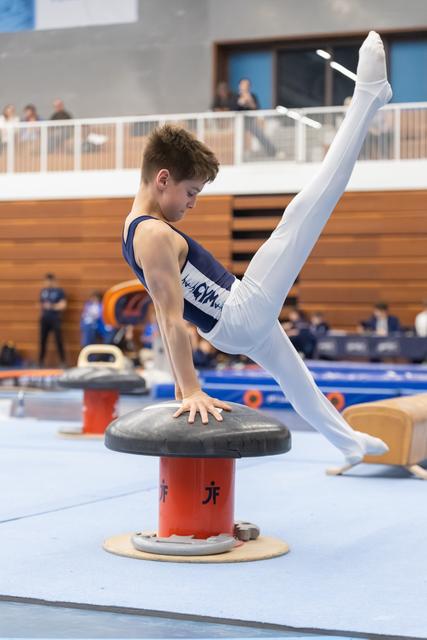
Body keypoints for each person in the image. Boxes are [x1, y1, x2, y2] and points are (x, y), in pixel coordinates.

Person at [122, 31, 391, 467]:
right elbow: (169, 318)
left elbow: (173, 311)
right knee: (307, 207)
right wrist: (190, 390)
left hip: (232, 320)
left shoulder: (137, 228)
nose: (191, 204)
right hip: (238, 310)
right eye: (190, 192)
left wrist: (180, 384)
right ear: (163, 179)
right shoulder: (153, 234)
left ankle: (349, 443)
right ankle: (367, 97)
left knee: (296, 380)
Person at [233, 77, 277, 158]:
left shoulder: (253, 96)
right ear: (239, 86)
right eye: (243, 84)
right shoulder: (235, 96)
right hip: (239, 122)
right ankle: (238, 156)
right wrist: (241, 102)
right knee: (238, 139)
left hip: (250, 121)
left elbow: (256, 108)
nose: (245, 86)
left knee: (260, 135)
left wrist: (249, 101)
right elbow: (234, 108)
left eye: (247, 85)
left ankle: (272, 152)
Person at [38, 273, 67, 367]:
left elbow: (63, 305)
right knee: (42, 340)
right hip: (44, 319)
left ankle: (63, 361)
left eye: (48, 281)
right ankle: (40, 361)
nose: (46, 283)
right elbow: (41, 304)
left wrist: (52, 306)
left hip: (55, 319)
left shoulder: (59, 291)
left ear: (52, 281)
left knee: (59, 340)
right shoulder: (43, 291)